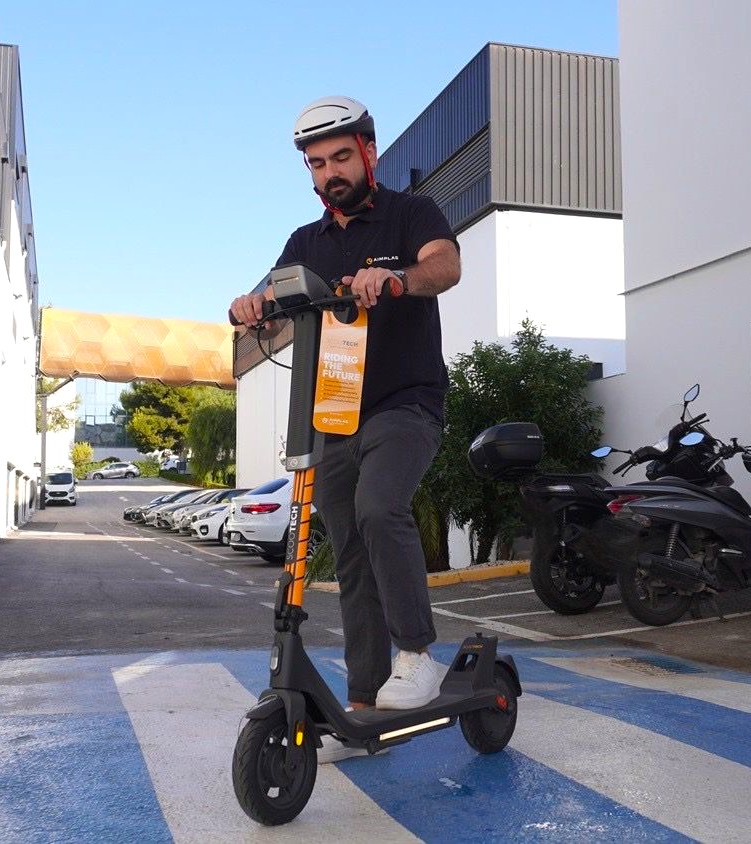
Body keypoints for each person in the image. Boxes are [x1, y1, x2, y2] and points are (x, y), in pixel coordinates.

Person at [228, 96, 461, 763]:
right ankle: (364, 701)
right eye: (316, 163)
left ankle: (416, 654)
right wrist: (252, 307)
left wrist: (392, 280)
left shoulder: (410, 213)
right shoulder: (306, 242)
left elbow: (444, 265)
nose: (329, 172)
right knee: (349, 547)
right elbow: (269, 305)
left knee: (378, 506)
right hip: (333, 413)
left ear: (368, 154)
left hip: (406, 402)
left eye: (339, 157)